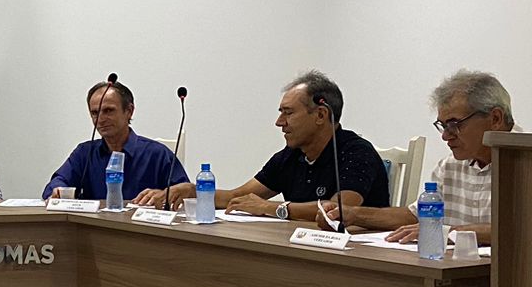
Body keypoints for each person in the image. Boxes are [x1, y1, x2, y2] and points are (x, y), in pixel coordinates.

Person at [152, 71, 390, 219]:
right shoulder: (291, 155)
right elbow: (239, 196)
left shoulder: (357, 152)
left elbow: (339, 210)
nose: (279, 122)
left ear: (320, 115)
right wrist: (193, 191)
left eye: (288, 113)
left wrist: (272, 208)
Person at [329, 70, 513, 244]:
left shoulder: (523, 164)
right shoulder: (449, 166)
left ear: (495, 119)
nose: (445, 136)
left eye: (454, 124)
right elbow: (415, 216)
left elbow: (519, 230)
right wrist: (353, 214)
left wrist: (450, 233)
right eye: (443, 126)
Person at [45, 79, 187, 201]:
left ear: (129, 111)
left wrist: (164, 195)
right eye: (95, 113)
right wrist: (58, 190)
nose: (100, 119)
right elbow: (57, 183)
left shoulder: (157, 154)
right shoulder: (84, 153)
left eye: (108, 111)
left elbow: (187, 193)